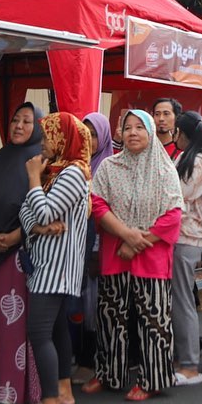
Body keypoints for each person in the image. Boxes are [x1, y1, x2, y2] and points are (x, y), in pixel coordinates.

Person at [84, 110, 183, 401]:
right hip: (116, 254)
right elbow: (98, 206)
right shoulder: (109, 168)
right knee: (110, 317)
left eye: (140, 127)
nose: (133, 132)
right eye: (127, 127)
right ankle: (108, 373)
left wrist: (138, 241)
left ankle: (152, 379)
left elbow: (173, 216)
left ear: (151, 131)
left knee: (153, 320)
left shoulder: (165, 170)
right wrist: (126, 234)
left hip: (151, 258)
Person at [13, 113, 92, 404]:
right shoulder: (55, 172)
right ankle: (63, 392)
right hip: (47, 264)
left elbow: (43, 208)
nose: (42, 143)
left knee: (39, 332)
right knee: (56, 329)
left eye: (48, 136)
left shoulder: (72, 173)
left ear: (64, 138)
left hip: (56, 268)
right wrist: (40, 226)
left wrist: (33, 178)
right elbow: (26, 213)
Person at [0, 102, 45, 404]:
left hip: (20, 258)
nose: (18, 126)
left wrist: (17, 235)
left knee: (17, 326)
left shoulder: (39, 161)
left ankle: (17, 388)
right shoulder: (0, 158)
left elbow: (42, 207)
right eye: (15, 119)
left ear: (38, 127)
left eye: (27, 121)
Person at [171, 111, 202, 386]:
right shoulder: (190, 157)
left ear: (185, 133)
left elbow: (178, 195)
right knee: (180, 299)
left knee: (183, 301)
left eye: (177, 131)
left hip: (186, 238)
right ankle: (183, 359)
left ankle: (190, 365)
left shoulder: (198, 162)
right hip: (181, 237)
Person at [68, 112, 113, 386]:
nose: (90, 140)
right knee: (79, 305)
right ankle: (80, 356)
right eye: (85, 134)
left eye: (94, 134)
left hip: (97, 247)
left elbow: (104, 212)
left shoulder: (107, 167)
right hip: (75, 247)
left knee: (94, 306)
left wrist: (96, 250)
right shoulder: (75, 165)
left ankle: (91, 361)